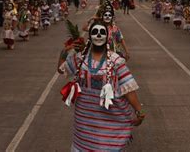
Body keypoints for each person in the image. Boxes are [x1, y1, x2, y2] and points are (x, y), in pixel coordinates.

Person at [58, 22, 145, 151]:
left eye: (102, 32)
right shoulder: (80, 59)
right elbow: (61, 69)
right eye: (95, 32)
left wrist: (139, 111)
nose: (98, 35)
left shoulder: (116, 61)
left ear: (107, 37)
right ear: (90, 37)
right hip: (84, 123)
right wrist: (64, 52)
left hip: (110, 121)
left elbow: (128, 88)